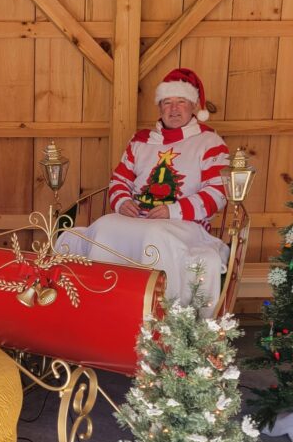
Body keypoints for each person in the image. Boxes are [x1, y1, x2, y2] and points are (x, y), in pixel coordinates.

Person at [61, 68, 231, 313]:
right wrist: (122, 202)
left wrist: (173, 210)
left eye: (181, 102)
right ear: (159, 107)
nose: (174, 109)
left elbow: (218, 191)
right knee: (105, 226)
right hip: (136, 218)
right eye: (167, 102)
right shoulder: (141, 140)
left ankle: (158, 314)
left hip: (184, 222)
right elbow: (119, 180)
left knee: (156, 235)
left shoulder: (209, 142)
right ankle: (101, 307)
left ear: (194, 106)